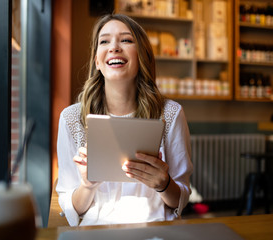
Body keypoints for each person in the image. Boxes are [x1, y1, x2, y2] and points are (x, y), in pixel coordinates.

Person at [56, 13, 193, 226]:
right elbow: (73, 208)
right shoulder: (71, 118)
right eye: (104, 41)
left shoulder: (171, 114)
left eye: (126, 40)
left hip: (154, 229)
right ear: (97, 61)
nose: (114, 47)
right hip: (96, 231)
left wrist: (163, 184)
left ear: (142, 56)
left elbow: (179, 201)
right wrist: (87, 185)